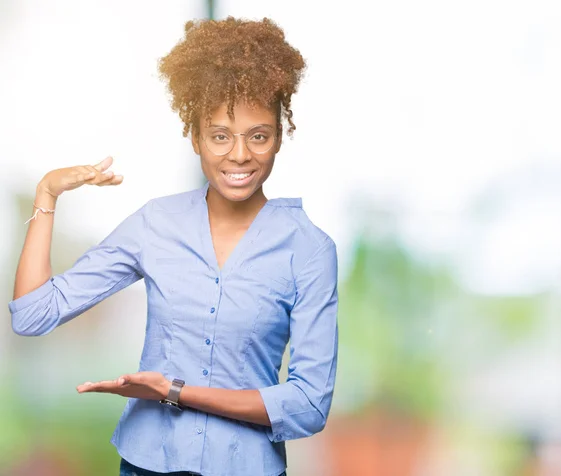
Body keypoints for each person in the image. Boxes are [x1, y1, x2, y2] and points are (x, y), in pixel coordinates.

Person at [8, 17, 338, 476]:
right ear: (195, 136)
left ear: (279, 136)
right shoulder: (156, 224)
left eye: (258, 135)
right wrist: (47, 195)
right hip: (147, 465)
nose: (239, 155)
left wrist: (174, 391)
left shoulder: (309, 249)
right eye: (220, 135)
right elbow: (31, 315)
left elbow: (308, 404)